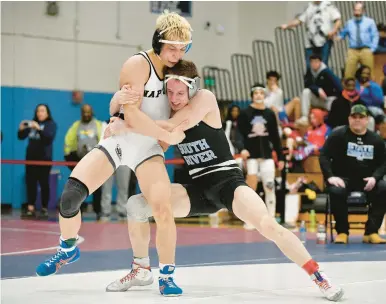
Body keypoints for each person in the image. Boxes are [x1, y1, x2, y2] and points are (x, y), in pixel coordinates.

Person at [105, 60, 344, 301]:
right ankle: (141, 269)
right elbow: (154, 134)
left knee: (268, 225)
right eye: (169, 92)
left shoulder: (204, 99)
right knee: (136, 205)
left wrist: (127, 125)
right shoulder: (166, 112)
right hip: (198, 189)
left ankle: (319, 276)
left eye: (180, 93)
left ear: (192, 88)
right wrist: (119, 103)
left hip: (227, 183)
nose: (174, 98)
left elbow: (170, 125)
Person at [35, 12, 192, 296]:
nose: (177, 54)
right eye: (172, 48)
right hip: (120, 140)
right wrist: (161, 132)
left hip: (148, 148)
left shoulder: (180, 71)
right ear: (157, 42)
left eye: (183, 48)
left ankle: (166, 274)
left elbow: (181, 112)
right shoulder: (137, 64)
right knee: (70, 195)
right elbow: (130, 115)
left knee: (162, 207)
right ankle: (67, 248)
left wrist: (163, 134)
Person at [319, 104, 386, 244]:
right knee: (336, 191)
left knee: (383, 188)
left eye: (361, 117)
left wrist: (375, 178)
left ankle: (371, 232)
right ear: (349, 119)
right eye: (354, 117)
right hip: (343, 179)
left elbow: (383, 163)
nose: (357, 120)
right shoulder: (338, 135)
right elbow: (324, 155)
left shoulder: (376, 140)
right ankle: (342, 232)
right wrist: (330, 177)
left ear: (367, 120)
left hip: (367, 180)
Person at [237, 84, 284, 218]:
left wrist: (280, 157)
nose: (258, 95)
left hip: (267, 157)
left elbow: (275, 137)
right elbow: (239, 135)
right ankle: (249, 219)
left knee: (269, 187)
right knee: (250, 189)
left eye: (261, 93)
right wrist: (242, 149)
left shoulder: (269, 114)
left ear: (265, 96)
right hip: (251, 158)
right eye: (256, 93)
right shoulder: (245, 113)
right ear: (252, 95)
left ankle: (271, 218)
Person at [18, 104, 57, 219]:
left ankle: (44, 208)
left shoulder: (51, 125)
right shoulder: (32, 124)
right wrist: (21, 129)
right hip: (30, 159)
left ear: (47, 113)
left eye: (42, 111)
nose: (40, 113)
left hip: (44, 160)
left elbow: (48, 139)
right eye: (38, 111)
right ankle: (31, 208)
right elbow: (21, 137)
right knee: (31, 184)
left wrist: (39, 129)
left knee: (44, 184)